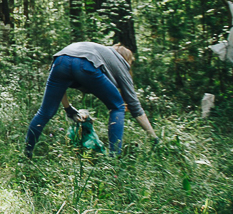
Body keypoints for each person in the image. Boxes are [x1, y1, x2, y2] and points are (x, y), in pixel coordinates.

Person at [24, 41, 156, 158]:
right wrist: (153, 137)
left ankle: (27, 153)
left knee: (44, 112)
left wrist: (68, 108)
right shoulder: (120, 63)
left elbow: (61, 86)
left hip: (60, 60)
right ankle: (114, 157)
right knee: (118, 106)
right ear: (127, 60)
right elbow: (134, 106)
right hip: (84, 63)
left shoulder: (101, 52)